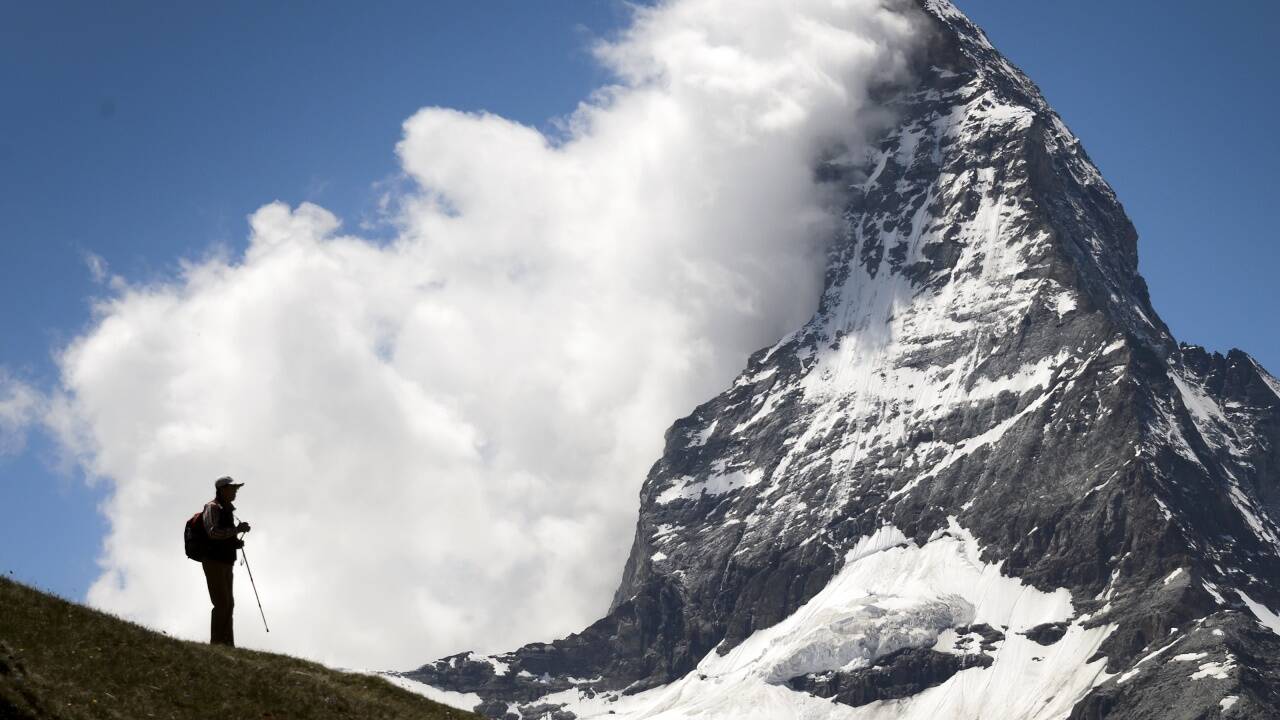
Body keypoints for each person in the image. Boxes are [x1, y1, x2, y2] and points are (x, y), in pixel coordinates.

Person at [202, 476, 250, 646]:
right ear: (222, 489)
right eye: (232, 488)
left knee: (229, 604)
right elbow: (213, 533)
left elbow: (223, 535)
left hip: (226, 561)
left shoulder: (227, 509)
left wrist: (235, 541)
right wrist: (237, 530)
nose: (235, 491)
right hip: (213, 560)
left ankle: (227, 644)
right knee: (222, 603)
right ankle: (217, 643)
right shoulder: (212, 507)